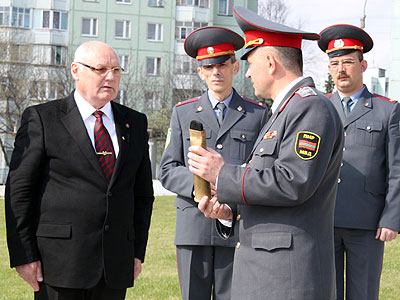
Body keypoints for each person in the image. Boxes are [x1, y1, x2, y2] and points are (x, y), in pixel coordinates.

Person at [189, 7, 344, 300]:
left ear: (270, 63)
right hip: (269, 273)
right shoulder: (283, 111)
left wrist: (221, 173)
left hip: (287, 278)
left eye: (250, 62)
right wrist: (228, 211)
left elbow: (292, 182)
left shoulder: (309, 108)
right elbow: (267, 180)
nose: (247, 72)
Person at [5, 41, 154, 300]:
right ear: (76, 70)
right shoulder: (43, 118)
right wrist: (24, 255)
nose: (110, 77)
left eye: (116, 70)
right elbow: (19, 192)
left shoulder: (135, 122)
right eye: (101, 69)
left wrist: (136, 251)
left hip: (115, 264)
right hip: (59, 264)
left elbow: (142, 195)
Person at [158, 26, 267, 300]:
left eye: (222, 65)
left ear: (235, 68)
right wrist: (203, 188)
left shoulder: (258, 115)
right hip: (193, 227)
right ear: (200, 72)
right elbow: (168, 169)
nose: (216, 73)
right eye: (209, 67)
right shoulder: (183, 112)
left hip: (236, 223)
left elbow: (260, 168)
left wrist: (228, 193)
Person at [318, 24, 400, 300]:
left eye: (348, 62)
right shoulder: (318, 108)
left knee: (363, 293)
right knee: (326, 291)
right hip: (324, 218)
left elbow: (396, 169)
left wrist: (391, 218)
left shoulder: (387, 110)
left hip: (367, 222)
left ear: (363, 64)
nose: (341, 69)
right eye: (334, 63)